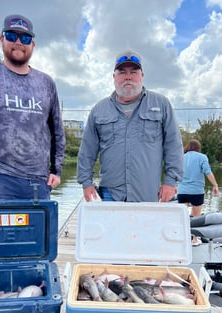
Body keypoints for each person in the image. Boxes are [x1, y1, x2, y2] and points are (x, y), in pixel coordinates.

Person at [0, 14, 65, 205]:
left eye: (25, 38)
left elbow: (57, 130)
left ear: (32, 44)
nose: (18, 42)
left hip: (39, 181)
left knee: (37, 235)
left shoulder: (46, 83)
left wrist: (56, 170)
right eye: (12, 36)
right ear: (2, 39)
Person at [77, 50, 184, 202]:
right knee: (111, 227)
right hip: (110, 194)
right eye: (122, 72)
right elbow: (87, 150)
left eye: (134, 72)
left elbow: (173, 145)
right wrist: (86, 183)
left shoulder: (162, 104)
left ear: (142, 76)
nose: (128, 77)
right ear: (114, 77)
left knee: (148, 227)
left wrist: (171, 181)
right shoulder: (98, 110)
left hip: (150, 194)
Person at [177, 139, 219, 246]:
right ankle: (195, 239)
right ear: (198, 148)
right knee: (197, 217)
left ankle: (180, 236)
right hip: (196, 191)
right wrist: (215, 185)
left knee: (182, 215)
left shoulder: (181, 157)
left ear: (187, 147)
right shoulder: (202, 157)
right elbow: (208, 172)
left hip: (182, 190)